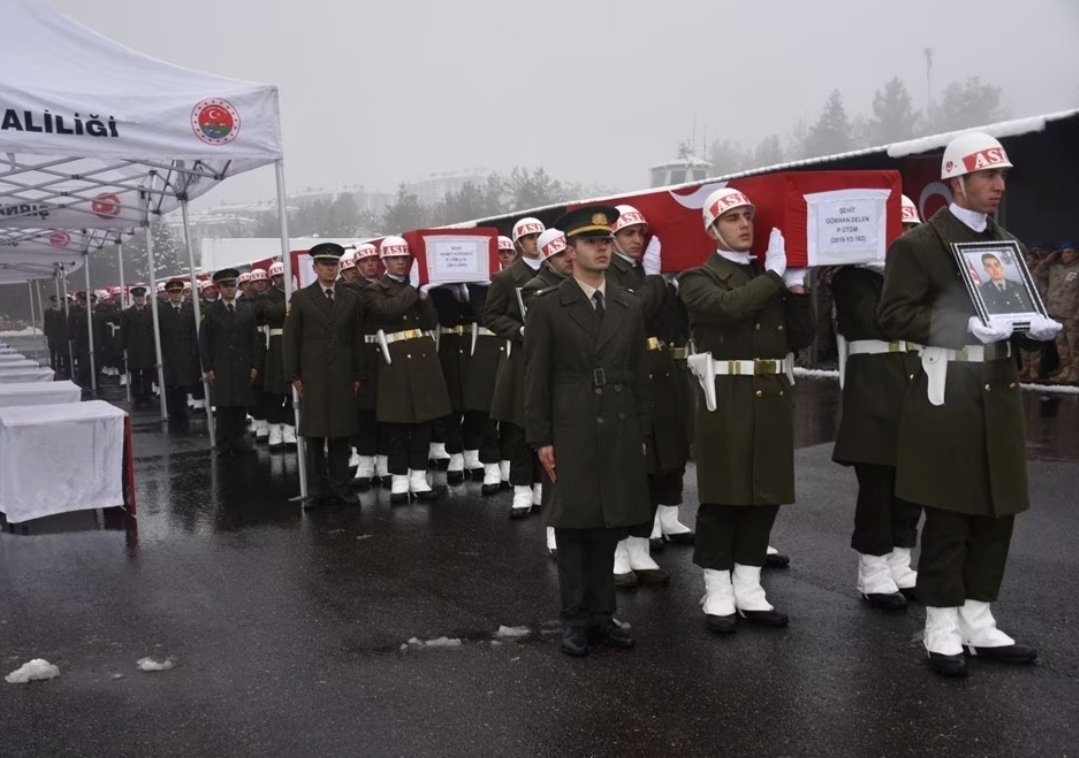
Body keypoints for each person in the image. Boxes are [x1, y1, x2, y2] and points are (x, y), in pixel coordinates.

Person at [879, 131, 1062, 677]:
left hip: (998, 391)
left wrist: (1036, 330)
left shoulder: (1005, 242)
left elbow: (1011, 313)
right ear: (957, 181)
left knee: (996, 509)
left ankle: (978, 618)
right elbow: (893, 316)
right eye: (989, 176)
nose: (999, 185)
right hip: (948, 393)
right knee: (950, 512)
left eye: (1002, 176)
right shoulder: (919, 245)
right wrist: (963, 326)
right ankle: (940, 623)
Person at [678, 187, 814, 635]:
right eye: (732, 218)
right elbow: (728, 308)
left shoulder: (767, 275)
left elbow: (800, 337)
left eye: (747, 217)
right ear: (713, 229)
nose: (743, 225)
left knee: (764, 493)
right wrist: (774, 277)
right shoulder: (698, 278)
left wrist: (796, 288)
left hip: (771, 391)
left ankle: (750, 585)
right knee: (723, 495)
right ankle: (717, 587)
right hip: (728, 393)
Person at [523, 205, 651, 657]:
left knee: (608, 522)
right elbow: (534, 376)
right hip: (571, 422)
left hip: (617, 421)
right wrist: (541, 438)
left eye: (606, 240)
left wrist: (641, 429)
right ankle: (575, 618)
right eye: (591, 242)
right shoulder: (549, 307)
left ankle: (603, 613)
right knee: (575, 526)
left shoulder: (628, 303)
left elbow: (639, 371)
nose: (602, 247)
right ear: (570, 251)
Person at [832, 200, 923, 610]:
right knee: (877, 484)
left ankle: (901, 560)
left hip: (916, 383)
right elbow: (877, 322)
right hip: (873, 390)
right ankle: (872, 568)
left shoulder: (919, 279)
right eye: (898, 227)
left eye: (910, 227)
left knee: (913, 481)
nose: (905, 235)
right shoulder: (851, 277)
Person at [606, 205, 693, 588]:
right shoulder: (608, 272)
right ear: (612, 238)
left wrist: (675, 287)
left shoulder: (647, 272)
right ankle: (619, 549)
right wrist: (656, 281)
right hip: (630, 373)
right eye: (629, 234)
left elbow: (674, 324)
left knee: (660, 463)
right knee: (630, 470)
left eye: (642, 233)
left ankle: (641, 546)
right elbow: (632, 314)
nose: (637, 240)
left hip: (660, 371)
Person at [361, 236, 450, 504]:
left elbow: (431, 321)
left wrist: (425, 298)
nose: (401, 262)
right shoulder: (374, 289)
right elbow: (388, 311)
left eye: (405, 258)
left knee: (424, 421)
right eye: (396, 258)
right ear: (385, 261)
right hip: (395, 360)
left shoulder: (416, 289)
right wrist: (415, 289)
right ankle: (400, 478)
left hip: (422, 357)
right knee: (397, 424)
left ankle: (419, 477)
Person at [283, 243, 365, 505]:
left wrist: (358, 374)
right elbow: (291, 338)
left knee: (341, 432)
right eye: (325, 265)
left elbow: (356, 338)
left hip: (342, 374)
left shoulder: (351, 297)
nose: (331, 269)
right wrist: (293, 374)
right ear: (315, 268)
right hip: (313, 374)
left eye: (334, 264)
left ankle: (342, 487)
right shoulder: (301, 298)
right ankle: (318, 490)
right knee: (315, 434)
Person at [485, 218, 548, 532]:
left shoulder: (559, 269)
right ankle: (522, 488)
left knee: (548, 423)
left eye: (538, 235)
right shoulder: (507, 277)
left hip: (553, 357)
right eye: (529, 237)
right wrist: (519, 329)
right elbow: (492, 316)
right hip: (521, 356)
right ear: (518, 243)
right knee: (520, 424)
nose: (535, 241)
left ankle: (543, 486)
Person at [199, 269, 261, 456]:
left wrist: (255, 365)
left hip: (242, 365)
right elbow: (204, 342)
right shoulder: (210, 312)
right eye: (226, 286)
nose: (230, 289)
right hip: (221, 365)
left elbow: (254, 339)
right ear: (219, 288)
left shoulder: (246, 310)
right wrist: (208, 367)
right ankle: (223, 440)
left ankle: (239, 438)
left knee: (240, 403)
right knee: (224, 404)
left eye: (232, 285)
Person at [346, 243, 385, 488]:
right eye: (365, 261)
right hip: (362, 351)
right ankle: (365, 461)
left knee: (386, 409)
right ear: (357, 266)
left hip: (386, 351)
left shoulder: (386, 285)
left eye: (373, 260)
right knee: (364, 410)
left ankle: (384, 460)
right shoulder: (350, 290)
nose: (371, 264)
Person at [256, 262, 295, 450]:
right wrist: (289, 298)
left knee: (292, 391)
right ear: (273, 279)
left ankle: (289, 429)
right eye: (278, 277)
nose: (281, 279)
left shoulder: (298, 293)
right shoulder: (266, 297)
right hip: (275, 348)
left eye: (284, 275)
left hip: (294, 344)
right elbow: (271, 314)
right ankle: (274, 431)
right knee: (274, 393)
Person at [158, 278, 200, 420]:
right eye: (172, 292)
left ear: (182, 292)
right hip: (169, 351)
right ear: (168, 294)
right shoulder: (161, 311)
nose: (176, 295)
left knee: (184, 380)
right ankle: (172, 409)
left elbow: (194, 330)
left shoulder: (189, 309)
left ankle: (183, 407)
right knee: (171, 381)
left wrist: (194, 349)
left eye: (178, 292)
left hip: (186, 350)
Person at [1044, 242, 1079, 383]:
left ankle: (1076, 371)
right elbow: (1037, 272)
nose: (1065, 255)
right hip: (1056, 313)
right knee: (1061, 345)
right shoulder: (1055, 268)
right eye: (1063, 252)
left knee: (1074, 345)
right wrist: (1049, 259)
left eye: (1069, 252)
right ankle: (1066, 370)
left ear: (1076, 253)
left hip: (1072, 314)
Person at [120, 285, 158, 408]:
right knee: (135, 374)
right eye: (137, 297)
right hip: (134, 348)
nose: (139, 299)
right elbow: (123, 332)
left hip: (148, 347)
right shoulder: (127, 313)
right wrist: (124, 347)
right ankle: (137, 396)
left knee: (148, 372)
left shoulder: (150, 311)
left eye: (141, 297)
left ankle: (147, 395)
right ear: (133, 298)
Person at [43, 295, 70, 378]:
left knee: (59, 354)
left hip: (60, 336)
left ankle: (59, 368)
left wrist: (58, 314)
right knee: (52, 353)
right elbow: (46, 324)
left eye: (55, 302)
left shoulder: (62, 311)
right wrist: (47, 332)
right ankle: (53, 368)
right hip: (52, 336)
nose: (54, 303)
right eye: (53, 302)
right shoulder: (47, 312)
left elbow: (64, 322)